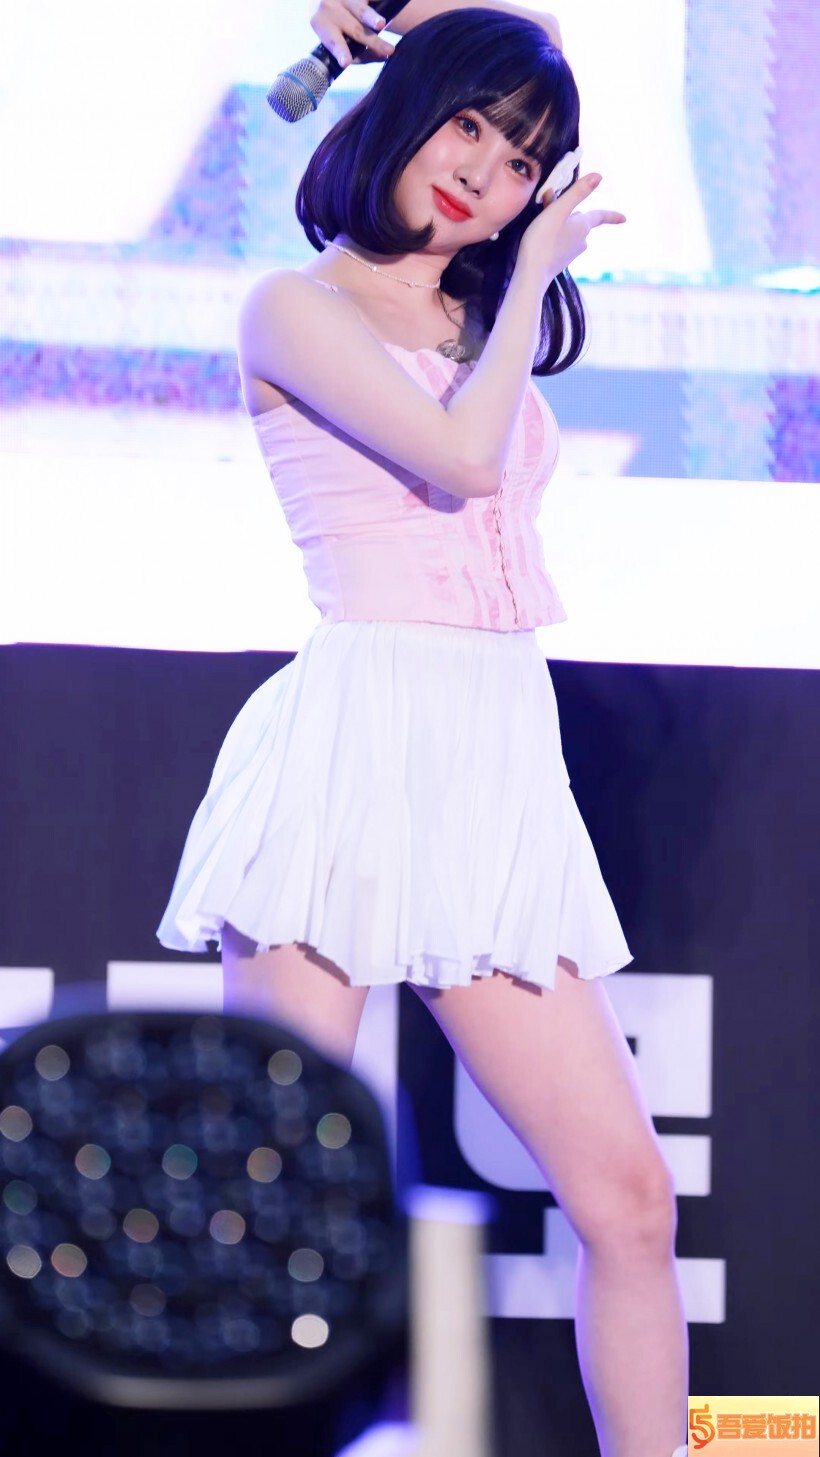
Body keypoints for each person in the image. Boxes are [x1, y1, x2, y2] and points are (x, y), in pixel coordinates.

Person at [157, 4, 689, 1453]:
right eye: (464, 127)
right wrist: (534, 271)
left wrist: (425, 40)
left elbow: (536, 33)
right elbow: (460, 459)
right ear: (405, 116)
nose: (482, 174)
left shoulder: (473, 312)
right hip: (351, 755)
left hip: (494, 763)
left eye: (519, 161)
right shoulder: (296, 307)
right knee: (275, 1204)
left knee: (630, 1202)